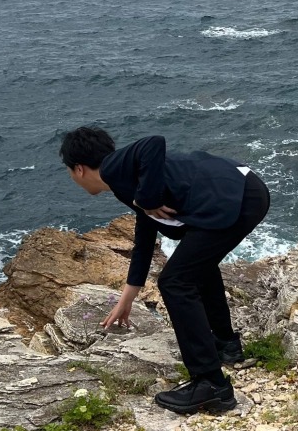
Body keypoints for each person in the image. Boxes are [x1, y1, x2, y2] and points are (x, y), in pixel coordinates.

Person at [59, 126, 270, 415]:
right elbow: (144, 237)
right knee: (195, 268)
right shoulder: (126, 179)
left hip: (236, 197)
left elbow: (153, 143)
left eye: (70, 173)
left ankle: (212, 384)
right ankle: (225, 345)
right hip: (241, 191)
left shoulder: (113, 167)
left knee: (174, 282)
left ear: (79, 169)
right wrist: (127, 299)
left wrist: (148, 200)